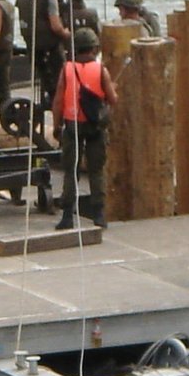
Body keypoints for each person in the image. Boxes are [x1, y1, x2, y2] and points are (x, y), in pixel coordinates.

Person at [53, 26, 116, 230]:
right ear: (94, 49)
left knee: (71, 171)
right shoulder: (101, 70)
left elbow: (58, 100)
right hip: (95, 126)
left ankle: (67, 216)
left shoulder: (67, 69)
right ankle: (99, 214)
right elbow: (113, 99)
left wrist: (56, 125)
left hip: (73, 126)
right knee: (96, 171)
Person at [16, 0, 70, 144]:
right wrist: (67, 34)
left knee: (48, 85)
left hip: (33, 47)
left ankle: (47, 102)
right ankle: (60, 130)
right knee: (60, 90)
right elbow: (55, 26)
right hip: (50, 48)